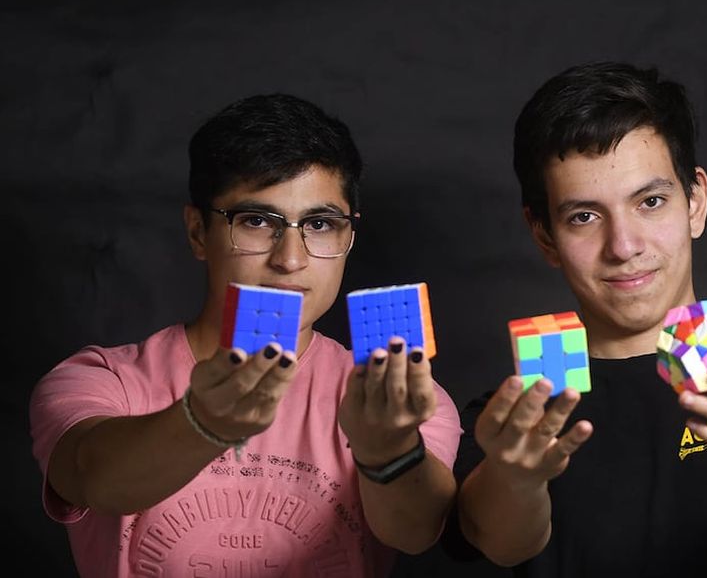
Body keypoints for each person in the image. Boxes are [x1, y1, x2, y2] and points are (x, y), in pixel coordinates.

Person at [449, 62, 707, 577]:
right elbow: (501, 542)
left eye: (651, 202)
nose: (624, 247)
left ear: (695, 201)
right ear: (544, 236)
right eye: (584, 217)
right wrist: (517, 476)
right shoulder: (514, 416)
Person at [29, 93, 461, 577]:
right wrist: (203, 421)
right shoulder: (103, 380)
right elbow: (94, 478)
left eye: (320, 224)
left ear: (347, 238)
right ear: (198, 232)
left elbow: (416, 532)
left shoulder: (400, 395)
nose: (290, 259)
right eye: (257, 221)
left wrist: (389, 449)